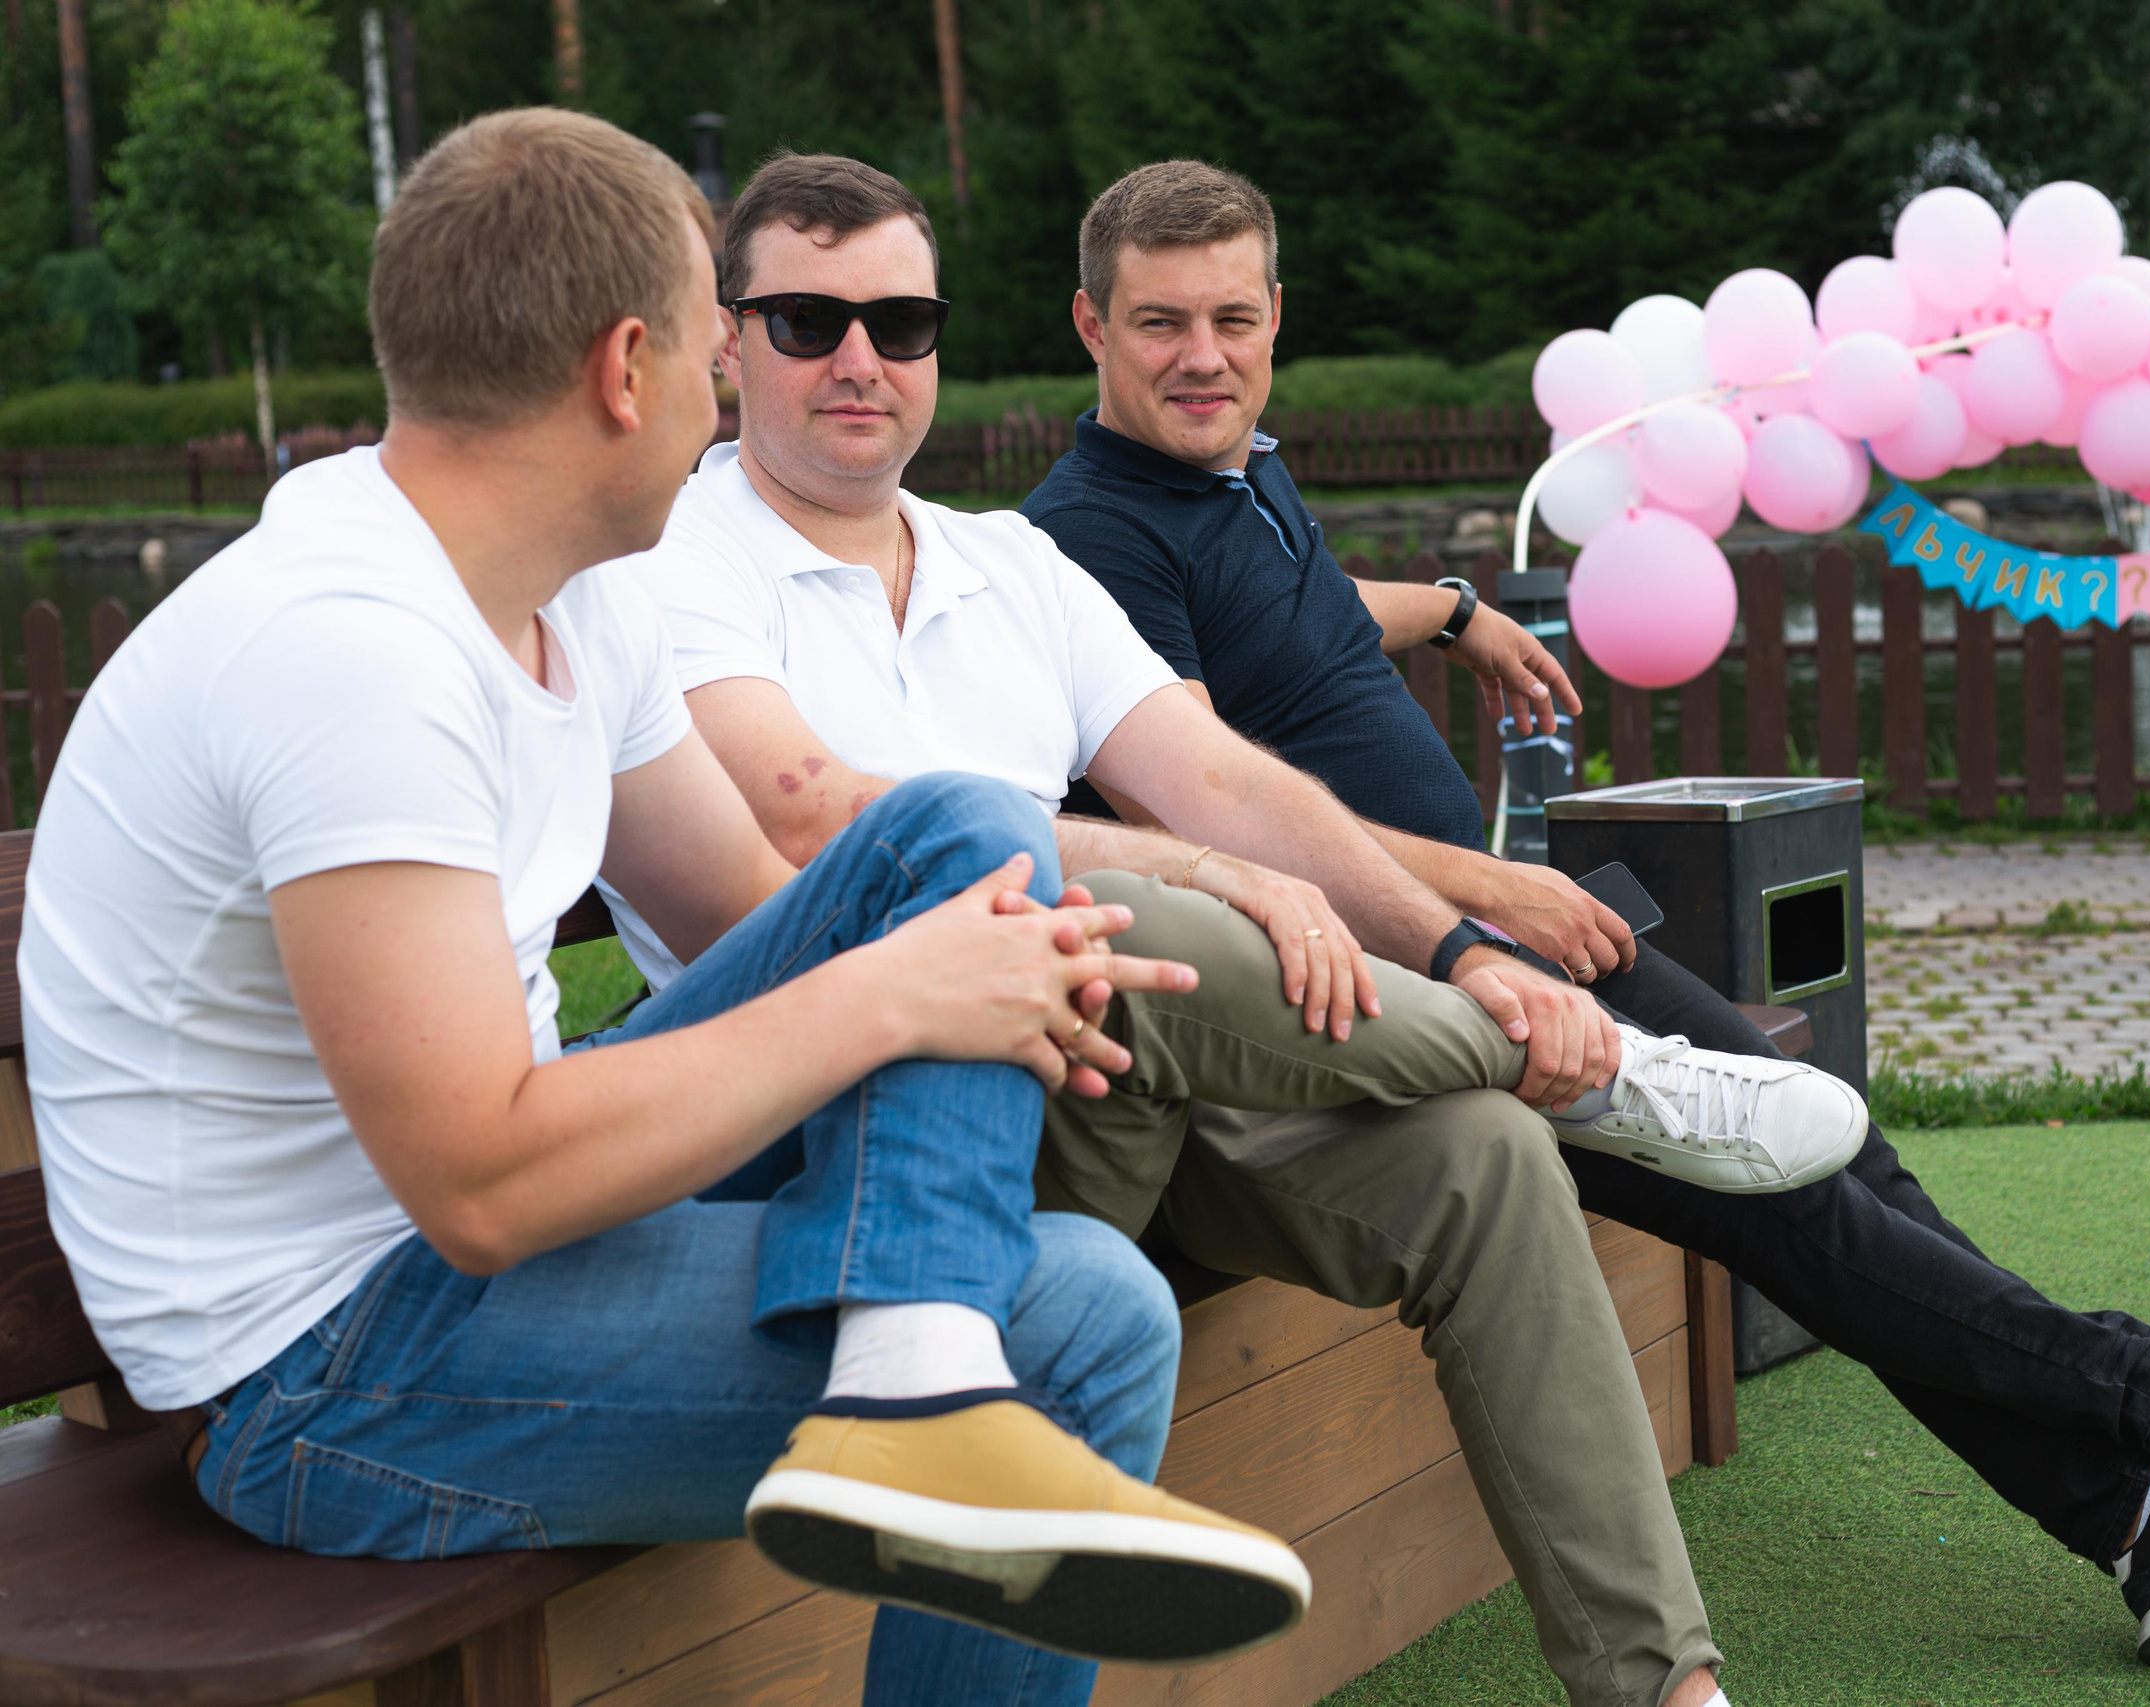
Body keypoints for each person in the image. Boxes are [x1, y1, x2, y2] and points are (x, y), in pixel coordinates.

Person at [1018, 157, 2150, 1667]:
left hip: (1503, 927)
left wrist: (1451, 613)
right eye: (1160, 326)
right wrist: (1485, 891)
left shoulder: (1235, 471)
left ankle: (2139, 1518)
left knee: (1836, 1147)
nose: (1203, 356)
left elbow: (1299, 607)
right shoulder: (1096, 537)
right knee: (1797, 1208)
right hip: (1407, 983)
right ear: (1090, 326)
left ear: (1275, 317)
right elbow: (1214, 805)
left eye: (1232, 319)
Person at [14, 109, 1318, 1705]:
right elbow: (482, 1184)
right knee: (1083, 1326)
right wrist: (913, 1001)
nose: (721, 395)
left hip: (460, 1264)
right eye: (718, 354)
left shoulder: (580, 592)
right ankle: (929, 1403)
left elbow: (765, 913)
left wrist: (990, 982)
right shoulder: (351, 651)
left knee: (964, 833)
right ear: (627, 368)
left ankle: (918, 1388)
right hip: (318, 1381)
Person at [602, 149, 1890, 1707]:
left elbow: (1222, 781)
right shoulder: (671, 563)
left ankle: (1665, 1690)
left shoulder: (1009, 562)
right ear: (727, 344)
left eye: (903, 321)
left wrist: (1462, 946)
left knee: (1481, 1159)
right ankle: (1608, 1068)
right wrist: (1222, 880)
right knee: (1039, 885)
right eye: (808, 320)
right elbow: (821, 822)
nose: (861, 359)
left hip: (1120, 1094)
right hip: (879, 1153)